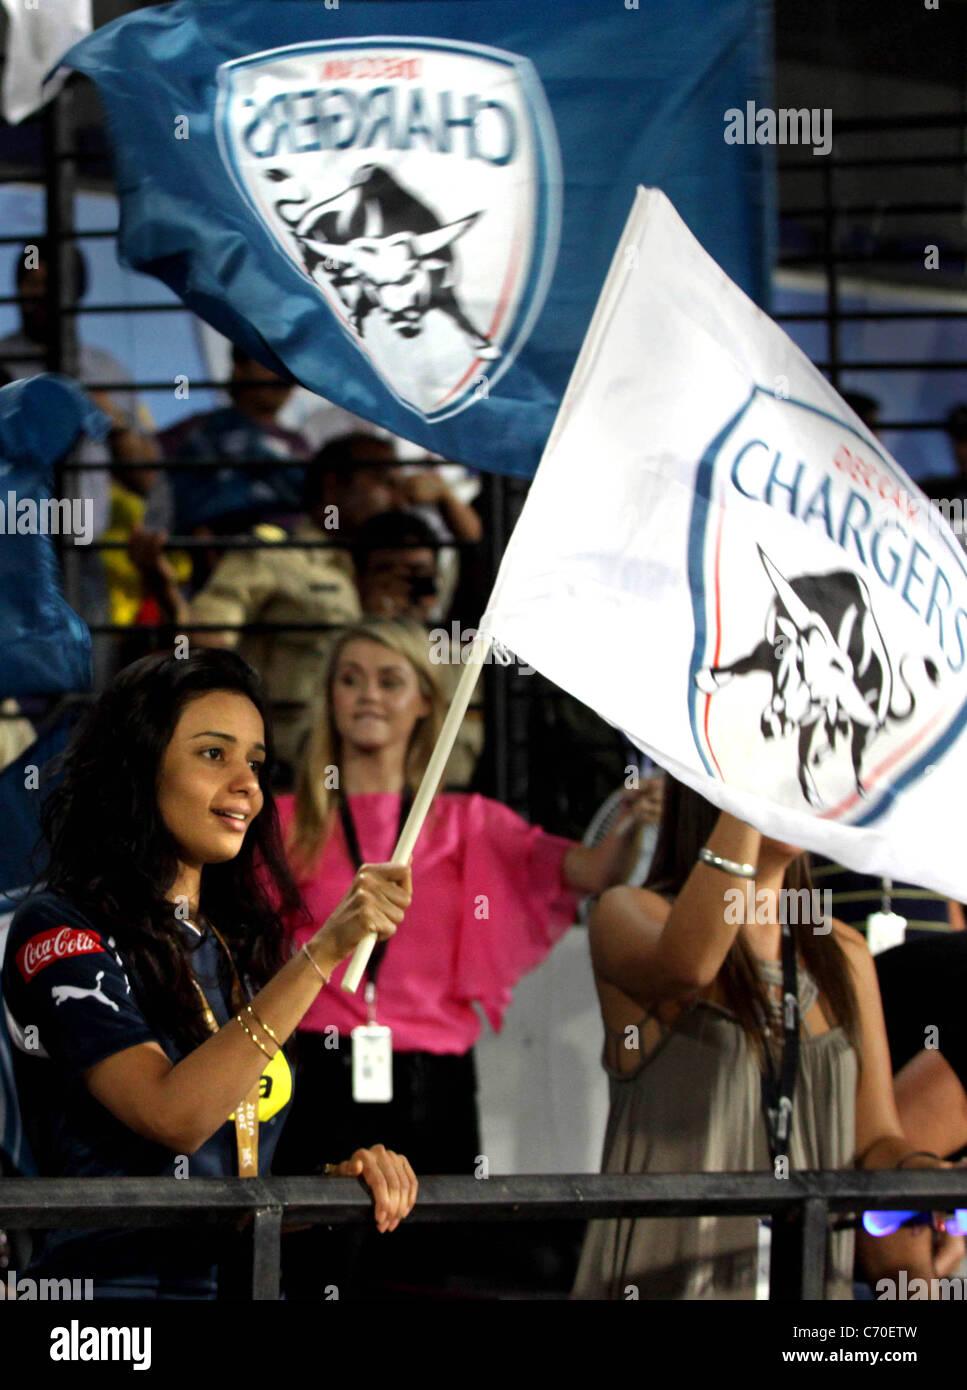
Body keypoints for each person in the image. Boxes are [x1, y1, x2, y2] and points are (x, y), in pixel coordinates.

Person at [0, 648, 417, 1298]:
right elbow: (175, 1115)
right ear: (139, 767)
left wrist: (338, 1185)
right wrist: (322, 954)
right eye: (213, 754)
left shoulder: (233, 943)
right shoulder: (57, 927)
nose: (248, 785)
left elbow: (234, 1192)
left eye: (254, 761)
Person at [272, 617, 654, 1297]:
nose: (367, 695)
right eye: (349, 679)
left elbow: (590, 871)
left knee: (430, 1274)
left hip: (432, 1087)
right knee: (316, 1272)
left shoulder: (467, 822)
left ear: (424, 700)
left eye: (390, 680)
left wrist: (635, 818)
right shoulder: (288, 820)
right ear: (327, 696)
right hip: (319, 1074)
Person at [573, 775, 958, 1300]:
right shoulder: (627, 913)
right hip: (668, 1280)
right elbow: (690, 965)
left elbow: (875, 1140)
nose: (798, 787)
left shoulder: (842, 952)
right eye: (778, 770)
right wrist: (747, 799)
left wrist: (927, 1176)